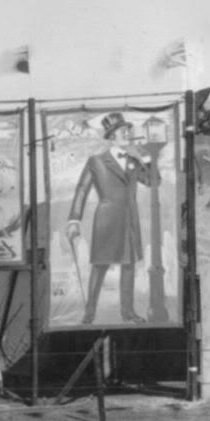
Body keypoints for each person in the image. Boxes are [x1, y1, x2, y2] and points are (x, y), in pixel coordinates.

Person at [66, 112, 155, 324]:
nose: (128, 133)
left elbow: (152, 182)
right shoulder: (96, 161)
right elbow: (81, 190)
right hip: (106, 221)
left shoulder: (134, 160)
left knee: (128, 266)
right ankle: (89, 315)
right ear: (112, 136)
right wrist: (74, 220)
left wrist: (147, 158)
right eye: (123, 130)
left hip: (129, 219)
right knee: (100, 265)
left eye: (128, 130)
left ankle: (128, 313)